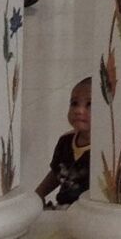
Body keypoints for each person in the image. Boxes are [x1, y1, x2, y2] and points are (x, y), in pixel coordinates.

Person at [36, 79, 90, 209]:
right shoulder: (65, 141)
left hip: (87, 214)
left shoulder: (105, 149)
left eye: (89, 104)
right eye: (74, 103)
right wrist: (38, 195)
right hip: (62, 210)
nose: (78, 110)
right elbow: (56, 173)